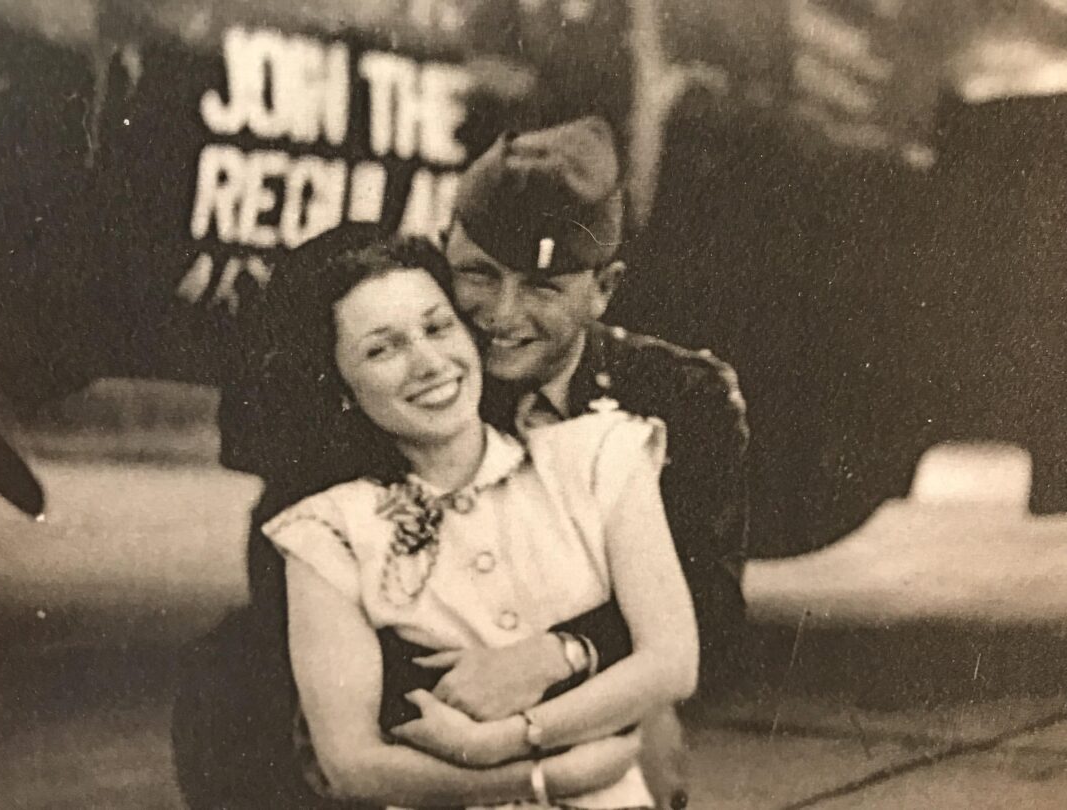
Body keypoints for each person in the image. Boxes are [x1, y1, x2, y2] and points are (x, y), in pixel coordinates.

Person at [173, 116, 748, 810]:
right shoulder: (419, 376)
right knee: (240, 682)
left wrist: (553, 657)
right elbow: (295, 556)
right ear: (447, 248)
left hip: (593, 684)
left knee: (647, 759)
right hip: (420, 679)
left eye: (543, 287)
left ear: (603, 287)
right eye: (478, 274)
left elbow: (706, 610)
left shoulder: (673, 397)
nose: (501, 315)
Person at [264, 235, 695, 808]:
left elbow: (673, 662)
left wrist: (510, 739)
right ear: (343, 386)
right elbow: (351, 764)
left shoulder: (600, 456)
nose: (428, 363)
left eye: (438, 327)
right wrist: (537, 779)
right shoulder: (328, 532)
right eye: (382, 350)